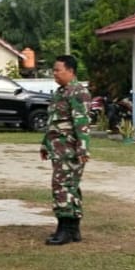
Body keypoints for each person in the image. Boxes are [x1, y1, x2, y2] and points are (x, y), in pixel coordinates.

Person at [40, 54, 92, 246]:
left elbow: (82, 124)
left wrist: (83, 149)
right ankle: (74, 229)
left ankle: (64, 229)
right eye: (53, 70)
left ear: (70, 71)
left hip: (70, 149)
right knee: (70, 187)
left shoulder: (78, 92)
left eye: (57, 70)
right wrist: (45, 144)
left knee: (61, 186)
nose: (54, 73)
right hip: (58, 149)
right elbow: (53, 122)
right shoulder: (60, 92)